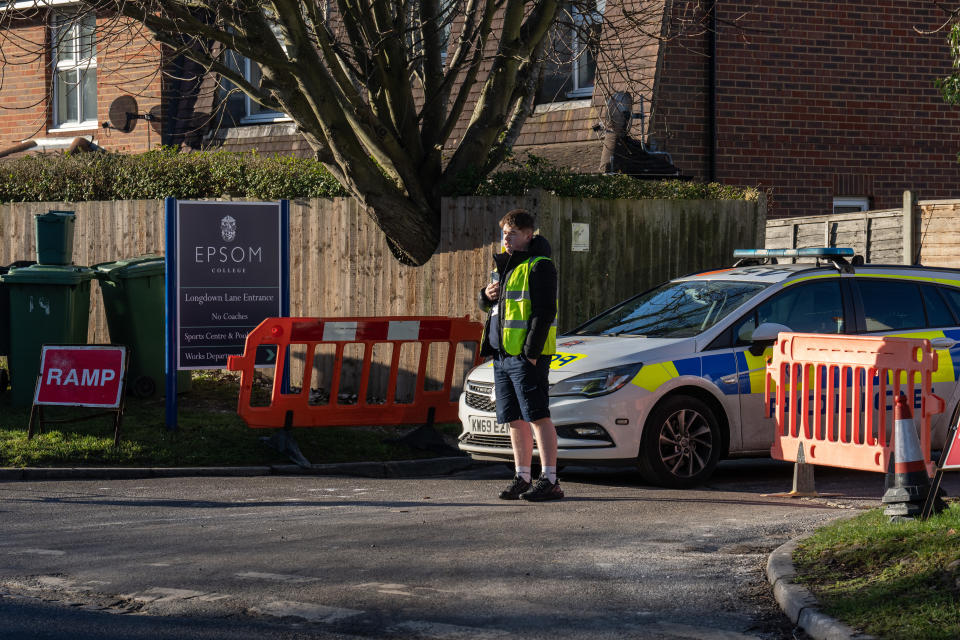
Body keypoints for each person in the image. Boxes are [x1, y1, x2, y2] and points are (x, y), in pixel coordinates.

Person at [478, 209, 562, 501]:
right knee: (514, 418)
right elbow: (497, 310)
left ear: (529, 234)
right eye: (504, 233)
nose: (506, 238)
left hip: (526, 357)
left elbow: (544, 312)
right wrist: (484, 295)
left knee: (538, 415)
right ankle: (522, 476)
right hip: (503, 356)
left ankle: (550, 479)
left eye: (512, 233)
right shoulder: (505, 266)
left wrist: (531, 354)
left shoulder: (540, 266)